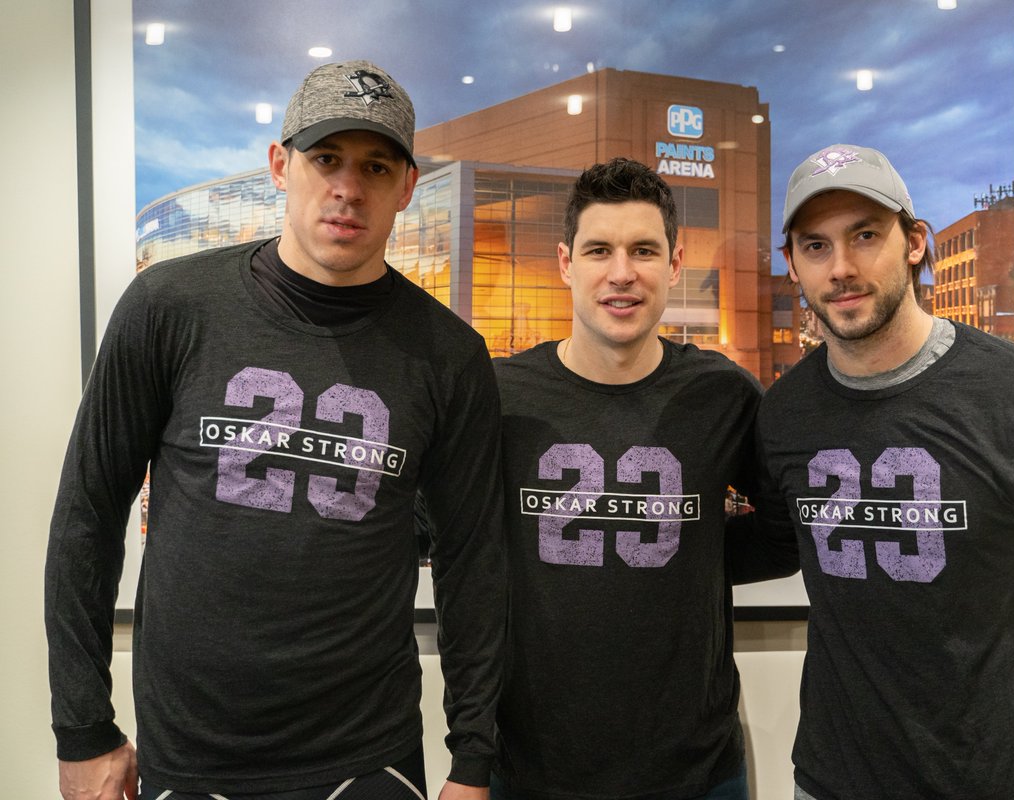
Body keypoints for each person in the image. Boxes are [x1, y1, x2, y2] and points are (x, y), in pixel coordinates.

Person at [45, 60, 506, 800]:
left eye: (375, 167)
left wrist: (474, 758)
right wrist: (82, 727)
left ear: (407, 186)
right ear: (280, 165)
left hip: (367, 757)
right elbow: (85, 518)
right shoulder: (170, 307)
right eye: (326, 159)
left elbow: (475, 565)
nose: (348, 189)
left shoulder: (448, 356)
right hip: (190, 753)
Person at [750, 143, 1014, 799]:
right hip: (831, 783)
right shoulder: (786, 413)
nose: (842, 267)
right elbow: (770, 538)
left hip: (999, 781)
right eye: (815, 246)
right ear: (792, 264)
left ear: (915, 242)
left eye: (865, 236)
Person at [489, 158, 778, 800]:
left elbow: (784, 531)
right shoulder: (501, 399)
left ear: (674, 265)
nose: (622, 273)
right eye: (600, 250)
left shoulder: (723, 395)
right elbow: (452, 543)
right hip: (533, 768)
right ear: (566, 262)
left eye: (644, 250)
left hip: (697, 772)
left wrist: (694, 552)